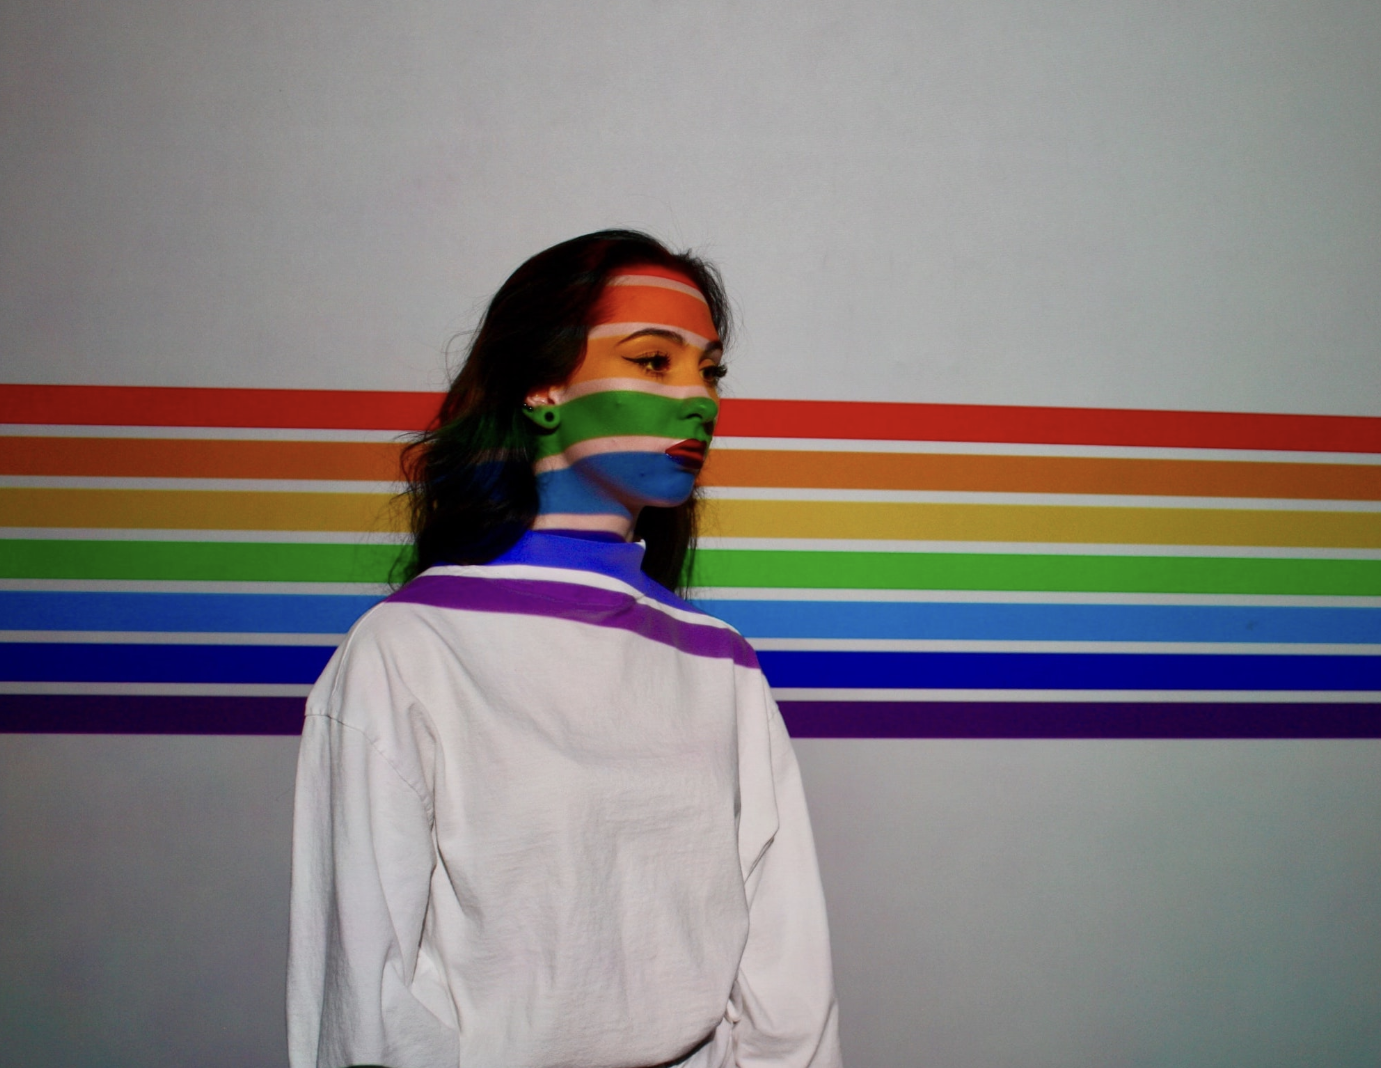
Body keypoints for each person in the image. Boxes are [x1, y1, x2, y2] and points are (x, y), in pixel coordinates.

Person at [287, 231, 841, 1068]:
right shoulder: (411, 648)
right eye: (655, 361)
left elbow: (786, 977)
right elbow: (366, 996)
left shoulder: (719, 661)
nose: (699, 400)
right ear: (542, 386)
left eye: (710, 370)